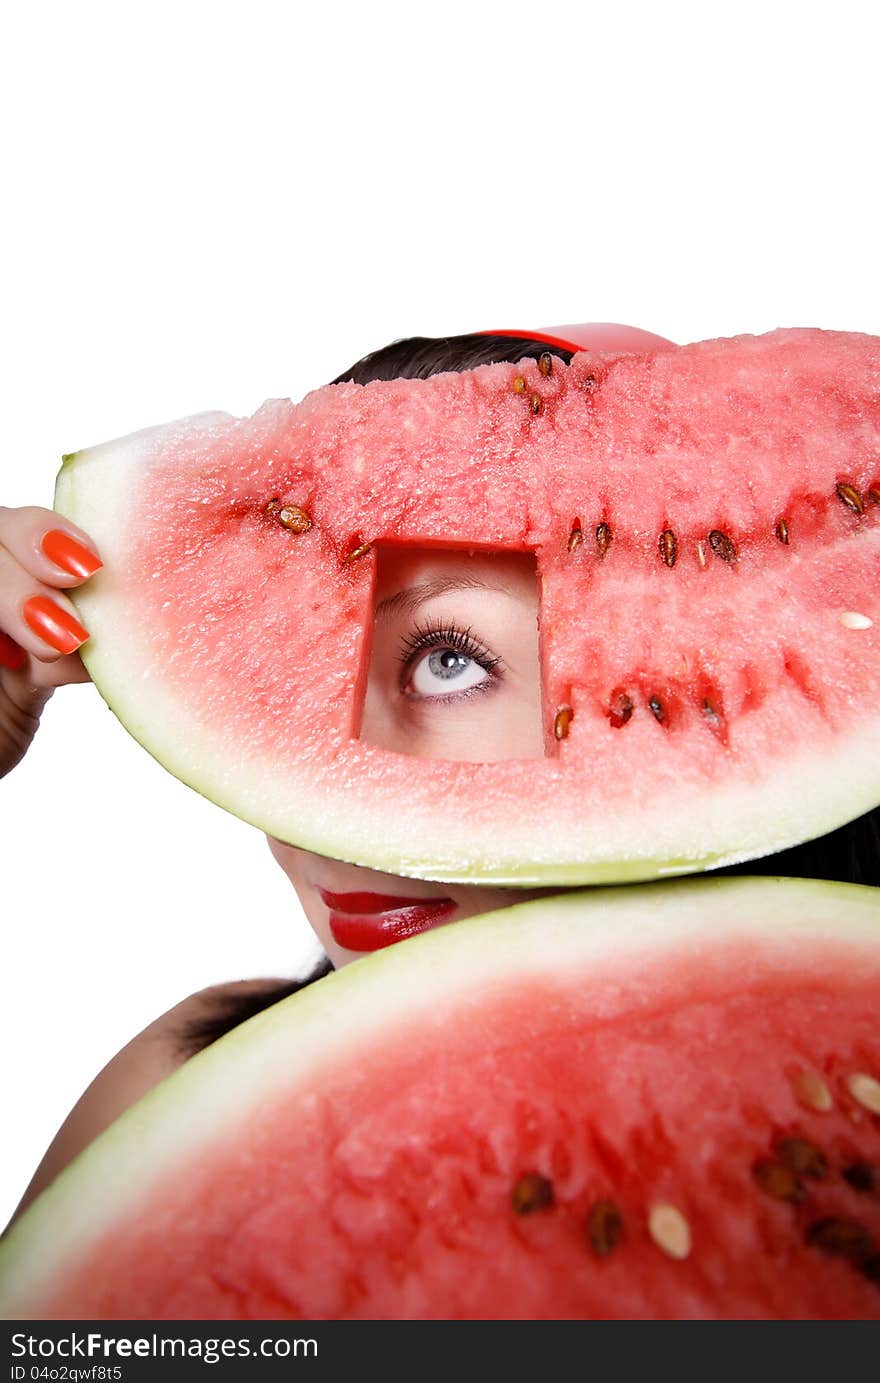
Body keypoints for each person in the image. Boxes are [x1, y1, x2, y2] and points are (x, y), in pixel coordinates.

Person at [2, 329, 878, 1224]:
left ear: (697, 691)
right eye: (296, 674)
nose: (314, 811)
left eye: (447, 660)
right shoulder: (176, 1092)